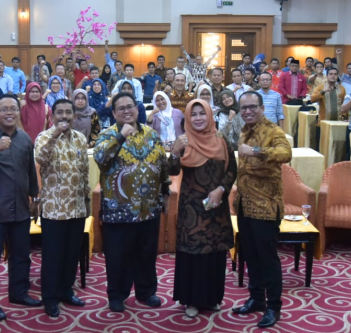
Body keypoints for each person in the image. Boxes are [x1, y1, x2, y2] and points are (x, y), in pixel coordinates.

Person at [93, 92, 170, 313]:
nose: (127, 111)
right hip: (119, 211)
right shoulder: (108, 134)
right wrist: (120, 137)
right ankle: (117, 295)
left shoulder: (151, 134)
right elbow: (100, 158)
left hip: (149, 207)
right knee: (118, 257)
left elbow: (162, 165)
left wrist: (165, 191)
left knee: (147, 254)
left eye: (130, 107)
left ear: (137, 109)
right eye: (121, 108)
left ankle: (146, 292)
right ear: (114, 113)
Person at [0, 94, 42, 321]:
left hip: (21, 207)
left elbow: (30, 170)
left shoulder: (24, 138)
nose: (9, 112)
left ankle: (19, 292)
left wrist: (35, 198)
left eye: (13, 108)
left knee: (21, 255)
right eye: (4, 109)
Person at [168, 99, 237, 318]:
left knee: (215, 254)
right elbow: (171, 170)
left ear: (209, 115)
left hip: (216, 207)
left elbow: (232, 170)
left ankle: (212, 298)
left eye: (202, 113)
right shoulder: (184, 140)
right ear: (188, 118)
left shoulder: (221, 139)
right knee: (193, 254)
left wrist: (221, 190)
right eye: (193, 114)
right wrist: (175, 152)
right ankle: (191, 300)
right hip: (192, 209)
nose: (198, 118)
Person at [231, 91, 292, 329]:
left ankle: (273, 306)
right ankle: (256, 298)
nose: (247, 111)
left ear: (262, 108)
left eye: (252, 107)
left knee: (268, 259)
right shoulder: (244, 130)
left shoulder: (273, 131)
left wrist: (256, 151)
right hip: (245, 205)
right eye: (244, 108)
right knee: (250, 255)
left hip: (266, 206)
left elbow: (286, 153)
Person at [34, 98, 91, 317]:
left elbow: (84, 172)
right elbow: (40, 159)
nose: (64, 116)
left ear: (74, 116)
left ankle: (66, 290)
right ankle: (50, 297)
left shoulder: (80, 138)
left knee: (71, 254)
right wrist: (55, 135)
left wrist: (86, 201)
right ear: (52, 116)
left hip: (77, 208)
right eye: (60, 112)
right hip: (54, 209)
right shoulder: (44, 137)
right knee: (53, 256)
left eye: (68, 112)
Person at [310, 67, 346, 149]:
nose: (333, 76)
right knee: (323, 147)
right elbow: (312, 99)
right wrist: (323, 91)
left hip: (338, 123)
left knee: (337, 147)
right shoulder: (320, 87)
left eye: (335, 74)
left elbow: (344, 104)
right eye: (331, 74)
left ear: (337, 76)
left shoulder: (342, 89)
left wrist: (345, 117)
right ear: (327, 76)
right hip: (323, 123)